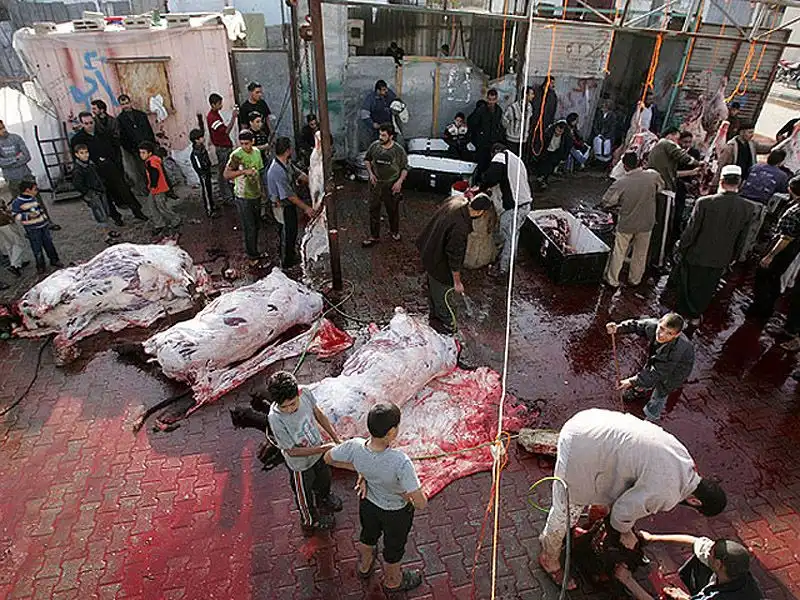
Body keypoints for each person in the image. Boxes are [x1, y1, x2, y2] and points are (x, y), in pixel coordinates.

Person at [537, 408, 727, 590]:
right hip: (582, 448)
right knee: (566, 509)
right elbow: (622, 512)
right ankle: (549, 559)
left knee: (603, 491)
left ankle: (585, 531)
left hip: (590, 422)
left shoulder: (685, 460)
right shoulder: (668, 493)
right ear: (695, 501)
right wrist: (625, 533)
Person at [325, 402, 426, 593]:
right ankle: (393, 581)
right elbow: (420, 503)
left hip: (368, 504)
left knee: (368, 535)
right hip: (396, 513)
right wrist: (408, 494)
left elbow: (328, 458)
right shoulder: (401, 462)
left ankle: (365, 566)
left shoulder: (354, 446)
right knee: (393, 547)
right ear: (391, 432)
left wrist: (361, 471)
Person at [673, 165, 752, 324]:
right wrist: (734, 257)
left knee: (688, 285)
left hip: (697, 254)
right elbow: (743, 238)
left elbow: (691, 230)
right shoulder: (747, 207)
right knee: (707, 288)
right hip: (721, 258)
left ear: (721, 181)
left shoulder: (705, 202)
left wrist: (681, 246)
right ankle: (695, 316)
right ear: (739, 183)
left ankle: (681, 316)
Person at [266, 370, 343, 535]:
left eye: (293, 403)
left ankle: (324, 497)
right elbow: (291, 451)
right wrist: (322, 449)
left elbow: (318, 414)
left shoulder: (305, 393)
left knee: (324, 478)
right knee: (304, 494)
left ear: (298, 394)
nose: (289, 409)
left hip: (318, 452)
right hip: (300, 465)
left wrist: (335, 437)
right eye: (284, 407)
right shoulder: (275, 419)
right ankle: (309, 520)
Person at [416, 193, 491, 334]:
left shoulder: (457, 200)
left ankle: (434, 319)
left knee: (433, 292)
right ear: (479, 212)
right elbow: (454, 257)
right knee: (444, 299)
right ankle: (448, 326)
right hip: (439, 264)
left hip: (429, 251)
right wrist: (457, 282)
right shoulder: (460, 227)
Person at [606, 313, 695, 419]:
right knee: (648, 369)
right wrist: (618, 328)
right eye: (661, 328)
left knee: (661, 391)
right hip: (660, 358)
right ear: (659, 322)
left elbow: (658, 372)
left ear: (676, 335)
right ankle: (640, 389)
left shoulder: (677, 350)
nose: (662, 335)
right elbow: (636, 325)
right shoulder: (652, 325)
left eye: (669, 333)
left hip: (676, 371)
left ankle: (651, 415)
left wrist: (631, 381)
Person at [630, 531, 763, 600]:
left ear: (718, 564)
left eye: (711, 553)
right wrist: (652, 538)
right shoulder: (740, 573)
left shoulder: (715, 597)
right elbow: (695, 542)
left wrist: (628, 581)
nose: (708, 551)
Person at [746, 177, 800, 342]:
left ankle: (760, 310)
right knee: (774, 281)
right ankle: (763, 309)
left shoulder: (795, 212)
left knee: (766, 277)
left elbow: (786, 237)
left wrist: (770, 255)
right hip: (792, 251)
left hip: (783, 250)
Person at [601, 152, 665, 288]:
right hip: (647, 222)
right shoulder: (653, 175)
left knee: (619, 251)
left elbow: (607, 202)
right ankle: (635, 279)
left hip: (627, 223)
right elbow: (661, 187)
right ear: (639, 162)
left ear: (624, 166)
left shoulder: (621, 182)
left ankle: (612, 280)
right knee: (640, 253)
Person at [71, 111, 148, 224]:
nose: (89, 125)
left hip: (111, 167)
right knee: (105, 196)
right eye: (86, 123)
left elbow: (115, 149)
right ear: (82, 124)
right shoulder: (77, 139)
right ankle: (116, 218)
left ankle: (137, 212)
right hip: (95, 172)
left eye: (91, 122)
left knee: (124, 191)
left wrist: (115, 163)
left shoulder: (103, 133)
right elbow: (78, 157)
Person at [480, 143, 533, 275]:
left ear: (495, 152)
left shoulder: (500, 156)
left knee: (508, 237)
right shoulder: (516, 160)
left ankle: (502, 268)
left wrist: (481, 185)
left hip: (515, 207)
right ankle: (508, 262)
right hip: (524, 204)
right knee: (513, 236)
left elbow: (491, 177)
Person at [0, 120, 60, 231]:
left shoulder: (16, 138)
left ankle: (47, 222)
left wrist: (10, 161)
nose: (3, 130)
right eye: (0, 129)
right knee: (21, 205)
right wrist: (16, 158)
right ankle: (30, 228)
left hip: (26, 175)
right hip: (12, 179)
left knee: (37, 201)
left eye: (3, 127)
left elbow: (27, 156)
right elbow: (1, 163)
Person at [266, 137, 315, 268]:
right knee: (286, 233)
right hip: (281, 206)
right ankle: (286, 261)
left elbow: (297, 173)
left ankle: (291, 254)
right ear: (288, 151)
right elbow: (290, 196)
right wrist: (306, 208)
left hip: (289, 204)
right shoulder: (276, 170)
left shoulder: (285, 163)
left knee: (292, 230)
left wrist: (313, 180)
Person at [362, 122, 408, 247]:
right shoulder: (374, 146)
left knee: (392, 209)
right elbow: (367, 159)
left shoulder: (398, 150)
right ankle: (374, 236)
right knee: (373, 209)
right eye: (380, 135)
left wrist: (399, 182)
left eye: (383, 135)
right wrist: (370, 174)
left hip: (391, 184)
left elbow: (405, 168)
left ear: (391, 136)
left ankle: (394, 231)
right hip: (376, 184)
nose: (380, 138)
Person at [224, 130, 265, 261]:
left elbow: (260, 172)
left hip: (256, 193)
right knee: (249, 227)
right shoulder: (236, 156)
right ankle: (252, 255)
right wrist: (243, 172)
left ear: (253, 142)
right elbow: (226, 174)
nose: (244, 146)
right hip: (243, 196)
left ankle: (254, 250)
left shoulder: (257, 152)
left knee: (256, 225)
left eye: (247, 143)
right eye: (242, 144)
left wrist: (263, 191)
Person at [11, 178, 63, 273]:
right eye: (35, 189)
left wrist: (45, 219)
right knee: (37, 248)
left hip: (43, 226)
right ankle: (40, 266)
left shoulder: (33, 198)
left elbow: (40, 209)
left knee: (49, 244)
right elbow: (16, 215)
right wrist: (28, 216)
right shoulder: (17, 202)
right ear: (27, 190)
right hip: (32, 229)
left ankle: (54, 260)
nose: (36, 191)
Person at [72, 143, 120, 245]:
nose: (85, 155)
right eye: (82, 153)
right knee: (100, 216)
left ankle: (109, 231)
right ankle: (106, 237)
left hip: (100, 192)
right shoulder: (78, 169)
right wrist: (89, 193)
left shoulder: (90, 164)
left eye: (86, 152)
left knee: (106, 212)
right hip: (94, 195)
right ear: (77, 155)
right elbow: (78, 184)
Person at [139, 141, 181, 236]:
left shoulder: (151, 162)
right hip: (155, 188)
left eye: (143, 153)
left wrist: (152, 185)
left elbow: (155, 174)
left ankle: (175, 219)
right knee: (152, 205)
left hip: (158, 188)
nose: (141, 155)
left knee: (161, 207)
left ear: (149, 153)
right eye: (140, 152)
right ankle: (159, 224)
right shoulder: (152, 160)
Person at [117, 94, 156, 193]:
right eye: (123, 104)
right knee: (143, 170)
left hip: (149, 147)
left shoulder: (141, 115)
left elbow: (149, 130)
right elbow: (122, 137)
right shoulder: (120, 120)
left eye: (127, 103)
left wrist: (152, 144)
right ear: (120, 105)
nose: (126, 106)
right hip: (136, 150)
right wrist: (132, 150)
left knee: (156, 167)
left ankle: (165, 189)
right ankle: (149, 189)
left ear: (130, 102)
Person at [646, 127, 702, 193]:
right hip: (664, 187)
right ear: (670, 135)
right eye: (677, 139)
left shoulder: (657, 146)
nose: (677, 142)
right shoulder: (667, 143)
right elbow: (683, 157)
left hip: (654, 185)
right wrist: (698, 163)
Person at [206, 93, 237, 204]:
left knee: (227, 171)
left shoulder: (215, 115)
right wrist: (233, 117)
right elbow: (226, 131)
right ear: (213, 104)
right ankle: (227, 197)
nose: (221, 105)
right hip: (222, 148)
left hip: (224, 147)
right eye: (219, 104)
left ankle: (228, 194)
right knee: (224, 173)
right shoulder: (213, 118)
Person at [468, 89, 505, 179]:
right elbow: (472, 122)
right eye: (490, 99)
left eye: (493, 100)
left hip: (493, 143)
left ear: (496, 99)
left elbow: (499, 126)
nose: (491, 102)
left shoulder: (498, 110)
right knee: (481, 164)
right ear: (487, 99)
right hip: (482, 143)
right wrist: (477, 136)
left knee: (491, 164)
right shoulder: (481, 110)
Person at [535, 120, 572, 189]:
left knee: (550, 167)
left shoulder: (565, 138)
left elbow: (566, 147)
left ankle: (543, 179)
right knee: (543, 165)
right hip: (546, 152)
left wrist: (563, 158)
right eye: (557, 130)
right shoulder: (548, 133)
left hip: (555, 153)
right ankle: (541, 179)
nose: (558, 132)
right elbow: (541, 143)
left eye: (560, 131)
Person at [189, 129, 214, 218]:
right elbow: (198, 165)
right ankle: (209, 210)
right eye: (201, 137)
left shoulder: (201, 148)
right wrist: (202, 173)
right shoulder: (196, 153)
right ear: (196, 140)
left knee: (209, 189)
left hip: (206, 171)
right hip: (203, 174)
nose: (203, 138)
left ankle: (212, 205)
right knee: (206, 191)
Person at [502, 86, 535, 155]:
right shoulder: (513, 107)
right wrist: (512, 130)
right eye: (531, 94)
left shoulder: (530, 107)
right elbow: (504, 120)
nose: (533, 96)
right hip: (512, 139)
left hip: (523, 139)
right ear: (526, 95)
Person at [0, 199, 28, 278]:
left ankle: (18, 263)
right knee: (18, 243)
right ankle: (15, 265)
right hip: (6, 223)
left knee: (9, 245)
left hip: (2, 225)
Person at [593, 98, 619, 164]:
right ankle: (597, 158)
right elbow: (595, 125)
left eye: (604, 106)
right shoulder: (599, 113)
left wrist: (606, 136)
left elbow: (612, 129)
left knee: (606, 143)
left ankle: (604, 160)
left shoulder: (613, 116)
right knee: (598, 141)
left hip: (608, 136)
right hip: (599, 134)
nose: (603, 108)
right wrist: (598, 134)